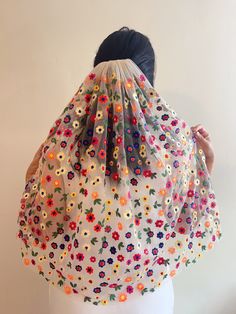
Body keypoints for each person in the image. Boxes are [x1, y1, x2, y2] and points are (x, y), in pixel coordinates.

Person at [16, 27, 222, 314]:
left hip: (76, 299)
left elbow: (44, 229)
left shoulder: (62, 148)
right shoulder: (175, 148)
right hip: (148, 297)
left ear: (93, 79)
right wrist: (204, 164)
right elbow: (186, 222)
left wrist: (31, 178)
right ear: (149, 83)